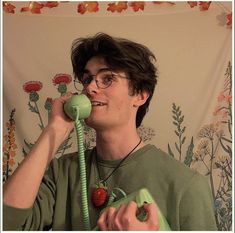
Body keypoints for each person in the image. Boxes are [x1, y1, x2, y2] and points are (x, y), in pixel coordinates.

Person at [3, 33, 217, 231]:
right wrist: (55, 129)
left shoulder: (186, 186)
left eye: (107, 78)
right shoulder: (61, 173)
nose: (90, 88)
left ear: (141, 95)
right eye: (87, 79)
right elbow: (8, 223)